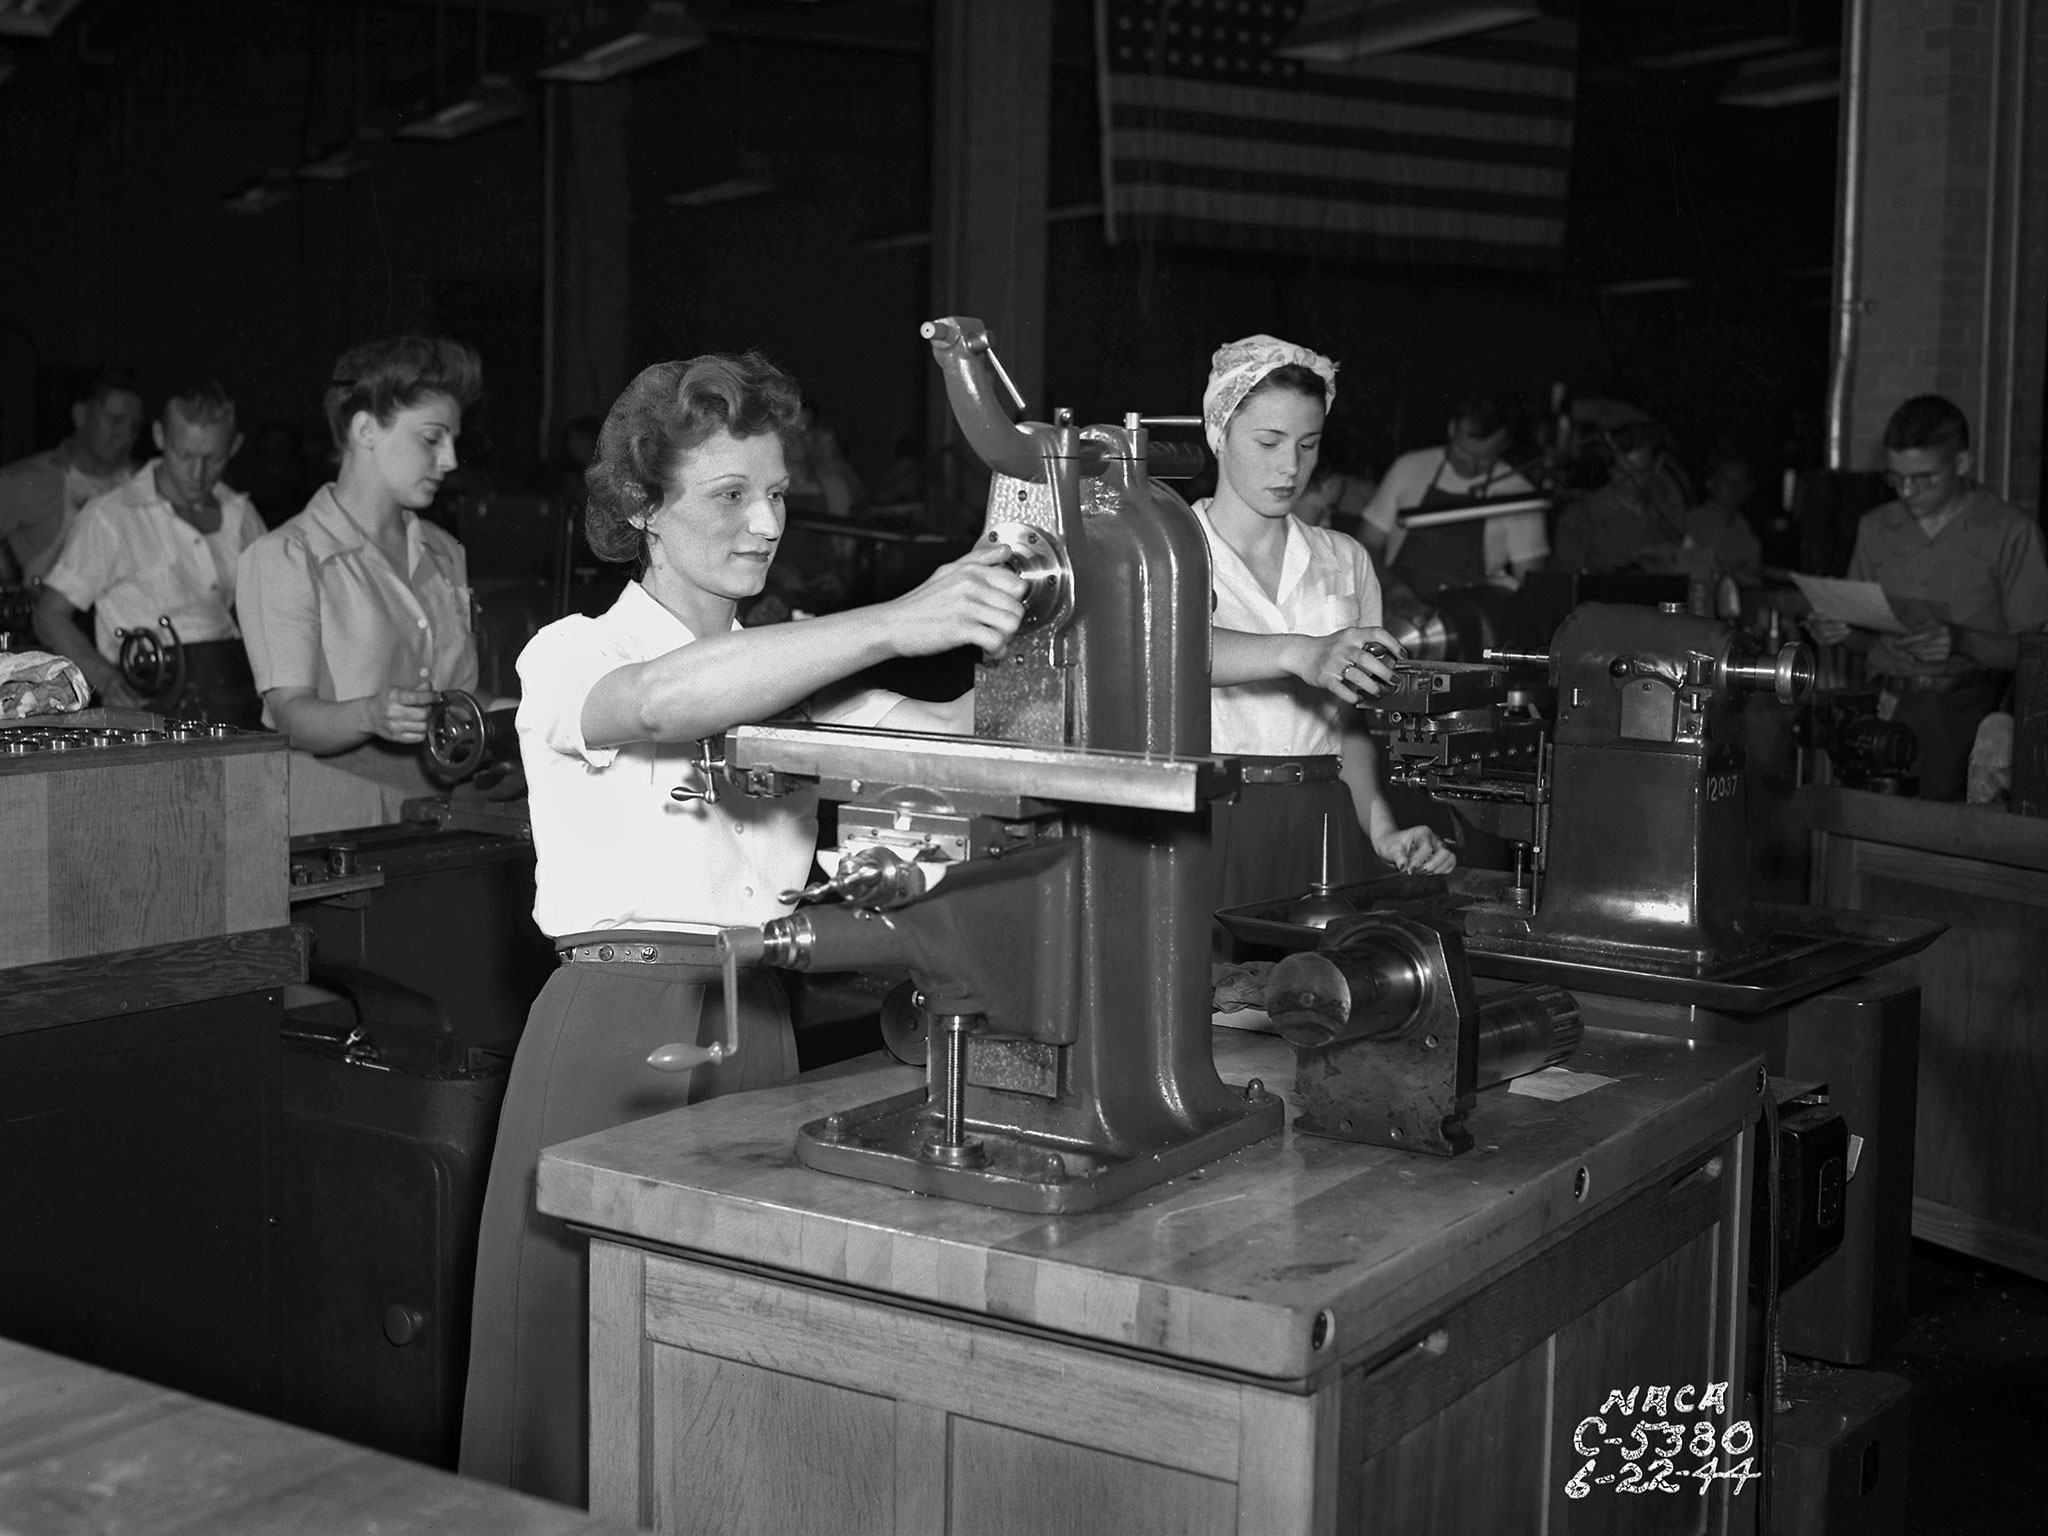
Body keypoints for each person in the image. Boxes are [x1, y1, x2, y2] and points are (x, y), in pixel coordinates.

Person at [458, 351, 1025, 1507]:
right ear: (638, 512)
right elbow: (666, 701)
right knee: (571, 1365)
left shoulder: (803, 665)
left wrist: (1035, 617)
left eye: (777, 493)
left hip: (762, 1015)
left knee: (735, 1360)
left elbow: (958, 737)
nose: (765, 523)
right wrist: (894, 617)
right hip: (618, 1026)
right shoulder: (577, 652)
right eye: (729, 495)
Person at [1193, 335, 1455, 938]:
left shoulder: (1344, 559)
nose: (1291, 467)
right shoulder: (1171, 549)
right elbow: (1162, 653)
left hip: (1321, 821)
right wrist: (1300, 654)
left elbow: (1349, 727)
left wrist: (1381, 827)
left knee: (1312, 1004)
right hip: (1207, 814)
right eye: (1269, 441)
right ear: (1218, 433)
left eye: (1308, 445)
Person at [237, 336, 484, 834]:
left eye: (453, 439)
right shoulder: (286, 556)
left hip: (444, 809)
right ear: (366, 429)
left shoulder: (442, 551)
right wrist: (370, 714)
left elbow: (459, 695)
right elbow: (289, 717)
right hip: (335, 823)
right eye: (432, 438)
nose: (451, 460)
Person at [1806, 394, 2048, 801]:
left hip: (1963, 714)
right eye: (1895, 477)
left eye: (1923, 479)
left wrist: (1962, 641)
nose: (1906, 491)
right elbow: (1868, 643)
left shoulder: (2009, 533)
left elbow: (2037, 657)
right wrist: (1839, 632)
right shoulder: (1877, 528)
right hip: (1885, 708)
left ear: (1962, 464)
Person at [33, 381, 267, 723]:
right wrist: (108, 679)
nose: (197, 474)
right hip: (153, 702)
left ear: (235, 446)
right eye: (184, 455)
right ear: (159, 436)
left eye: (212, 458)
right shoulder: (112, 516)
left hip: (236, 696)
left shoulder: (241, 514)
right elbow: (49, 615)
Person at [1359, 393, 1547, 596]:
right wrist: (1391, 586)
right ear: (1451, 429)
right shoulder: (1409, 468)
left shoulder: (1518, 497)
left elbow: (1530, 585)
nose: (1471, 467)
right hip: (1398, 611)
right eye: (1463, 453)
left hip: (1469, 617)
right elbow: (1366, 545)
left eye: (1484, 459)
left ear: (1503, 446)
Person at [0, 371, 144, 584]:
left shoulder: (145, 483)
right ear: (80, 416)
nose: (125, 435)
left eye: (134, 427)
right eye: (115, 421)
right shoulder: (26, 481)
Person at [1551, 420, 1690, 575]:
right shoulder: (1580, 515)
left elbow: (1696, 568)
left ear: (1656, 467)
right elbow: (1564, 582)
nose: (1627, 482)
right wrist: (1634, 563)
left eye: (1638, 473)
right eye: (1619, 472)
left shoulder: (1670, 508)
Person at [1673, 446, 1764, 583]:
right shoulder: (1691, 523)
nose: (1734, 487)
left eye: (1741, 481)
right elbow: (1686, 573)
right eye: (1727, 481)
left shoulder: (1749, 537)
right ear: (1710, 484)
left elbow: (1753, 582)